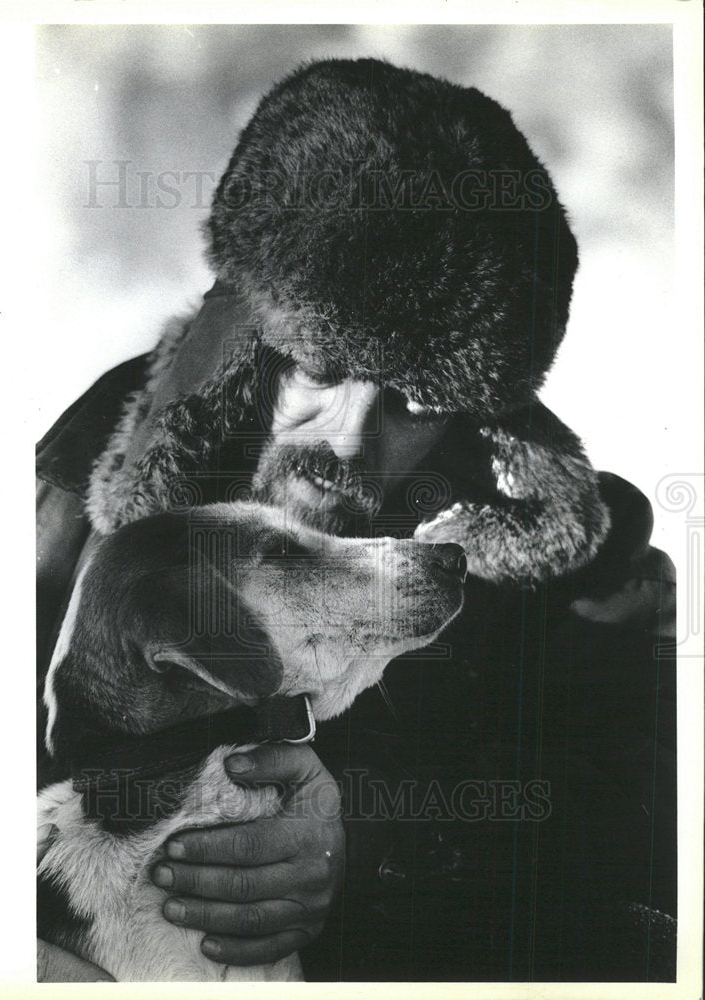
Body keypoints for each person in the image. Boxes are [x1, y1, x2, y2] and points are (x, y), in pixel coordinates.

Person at [37, 58, 676, 981]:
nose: (345, 445)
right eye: (325, 370)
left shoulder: (566, 563)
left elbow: (654, 798)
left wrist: (378, 830)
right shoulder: (60, 491)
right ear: (253, 320)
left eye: (415, 401)